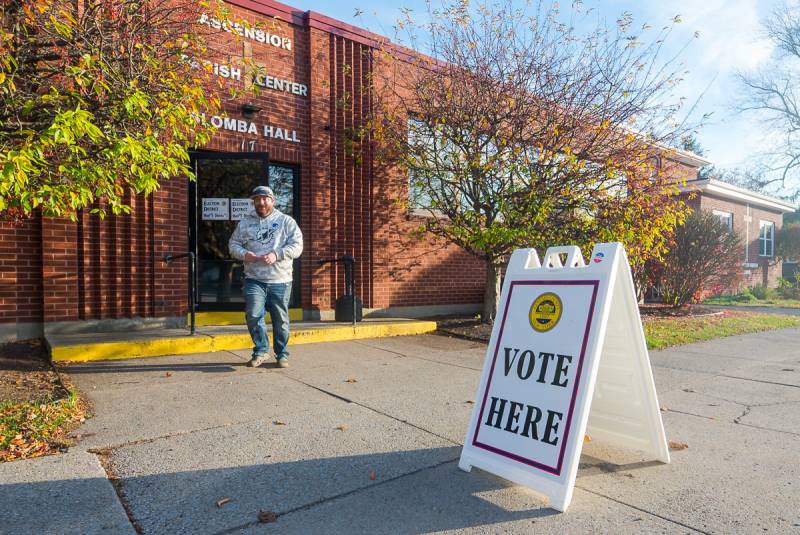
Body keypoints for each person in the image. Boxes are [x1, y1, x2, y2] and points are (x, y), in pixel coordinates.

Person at [229, 186, 303, 368]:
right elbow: (233, 244)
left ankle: (282, 354)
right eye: (257, 199)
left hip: (281, 280)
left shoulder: (287, 221)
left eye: (265, 199)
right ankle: (261, 351)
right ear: (254, 202)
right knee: (253, 315)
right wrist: (245, 254)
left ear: (272, 200)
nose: (261, 202)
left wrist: (277, 254)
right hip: (254, 278)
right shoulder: (245, 223)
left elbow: (297, 246)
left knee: (281, 320)